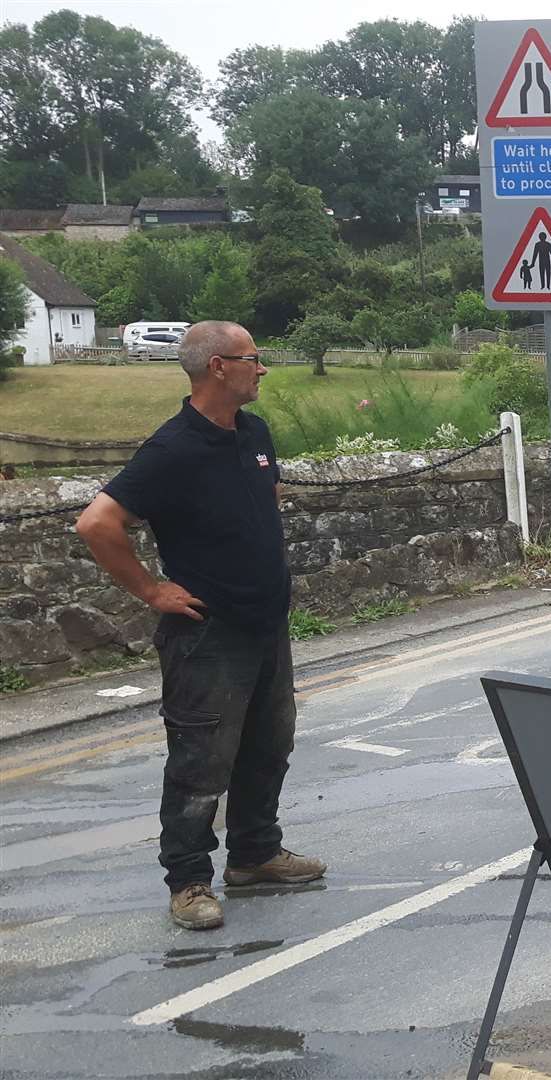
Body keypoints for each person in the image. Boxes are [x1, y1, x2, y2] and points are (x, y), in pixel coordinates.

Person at [75, 321, 325, 931]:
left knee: (268, 746)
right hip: (208, 635)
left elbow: (264, 507)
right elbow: (96, 524)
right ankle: (188, 881)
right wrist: (151, 589)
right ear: (217, 367)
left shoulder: (255, 433)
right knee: (200, 760)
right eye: (253, 358)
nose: (262, 368)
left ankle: (256, 854)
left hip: (266, 624)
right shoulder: (172, 449)